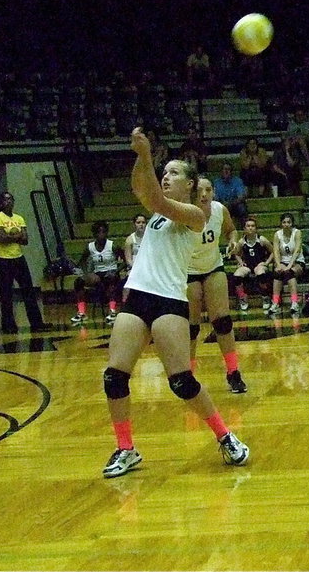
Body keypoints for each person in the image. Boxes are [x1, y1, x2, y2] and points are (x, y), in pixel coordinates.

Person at [101, 127, 249, 479]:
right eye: (164, 173)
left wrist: (148, 155)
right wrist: (141, 159)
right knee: (113, 377)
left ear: (191, 185)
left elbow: (153, 197)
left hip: (169, 301)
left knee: (182, 382)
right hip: (138, 297)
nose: (166, 177)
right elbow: (142, 189)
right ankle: (126, 449)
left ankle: (225, 435)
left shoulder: (194, 214)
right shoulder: (157, 213)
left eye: (174, 173)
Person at [187, 176, 247, 394]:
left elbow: (231, 230)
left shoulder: (220, 210)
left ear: (213, 192)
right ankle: (188, 374)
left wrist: (233, 240)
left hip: (213, 267)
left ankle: (233, 372)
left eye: (208, 190)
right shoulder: (183, 212)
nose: (204, 194)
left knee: (222, 321)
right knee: (191, 326)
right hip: (188, 271)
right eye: (200, 190)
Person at [0, 192, 52, 334]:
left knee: (28, 290)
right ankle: (8, 325)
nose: (9, 202)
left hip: (18, 257)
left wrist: (12, 236)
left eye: (11, 199)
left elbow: (25, 240)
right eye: (5, 200)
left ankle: (36, 323)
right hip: (2, 259)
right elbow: (2, 238)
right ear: (0, 203)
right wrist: (17, 235)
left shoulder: (19, 218)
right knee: (6, 293)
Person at [70, 220, 125, 325]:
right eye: (99, 232)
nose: (101, 235)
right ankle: (81, 312)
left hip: (111, 271)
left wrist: (116, 271)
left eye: (103, 232)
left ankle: (112, 311)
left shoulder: (113, 246)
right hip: (97, 273)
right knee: (78, 282)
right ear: (94, 234)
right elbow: (82, 261)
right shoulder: (90, 247)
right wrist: (87, 273)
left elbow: (125, 261)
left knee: (111, 280)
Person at [232, 216, 274, 314]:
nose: (250, 228)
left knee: (260, 273)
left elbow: (273, 252)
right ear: (244, 229)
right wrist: (240, 262)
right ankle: (243, 298)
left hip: (259, 264)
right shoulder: (242, 241)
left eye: (253, 226)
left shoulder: (261, 240)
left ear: (256, 228)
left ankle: (265, 297)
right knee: (236, 276)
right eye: (248, 226)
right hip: (248, 265)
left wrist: (267, 263)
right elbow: (236, 254)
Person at [269, 212, 306, 314]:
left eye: (289, 222)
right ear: (281, 223)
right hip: (283, 261)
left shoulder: (297, 233)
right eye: (284, 222)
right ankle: (275, 303)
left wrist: (289, 265)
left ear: (292, 223)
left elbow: (297, 250)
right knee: (278, 274)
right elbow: (275, 251)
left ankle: (294, 302)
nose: (286, 224)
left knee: (289, 273)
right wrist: (278, 264)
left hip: (297, 261)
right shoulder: (277, 234)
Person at [122, 213, 147, 303]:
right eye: (138, 222)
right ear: (134, 224)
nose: (141, 225)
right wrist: (138, 269)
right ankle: (125, 305)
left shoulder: (150, 238)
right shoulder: (130, 240)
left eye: (143, 222)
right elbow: (128, 260)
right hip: (134, 269)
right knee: (128, 285)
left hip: (148, 268)